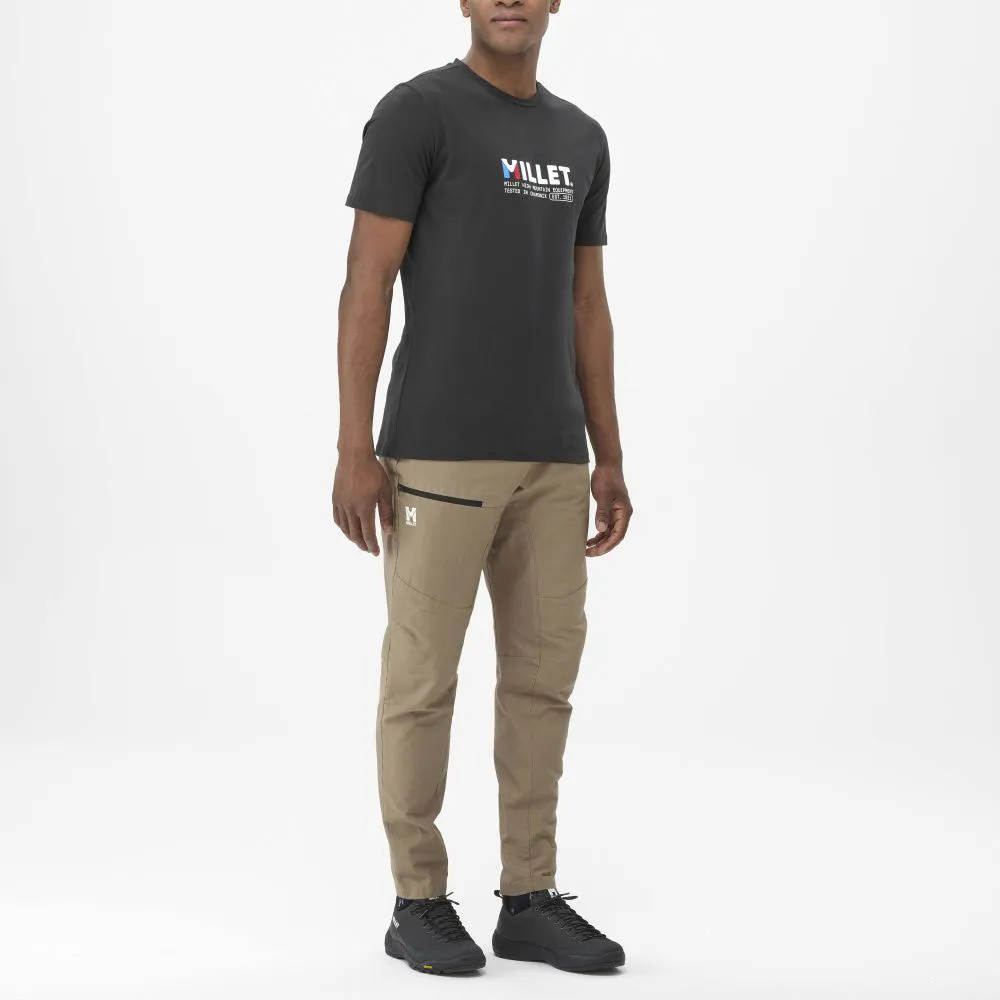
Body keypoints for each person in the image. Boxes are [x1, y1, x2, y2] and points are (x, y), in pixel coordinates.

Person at [333, 0, 633, 975]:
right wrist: (353, 446)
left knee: (543, 683)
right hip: (439, 451)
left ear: (554, 4)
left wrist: (608, 453)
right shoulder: (416, 113)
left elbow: (586, 301)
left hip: (553, 458)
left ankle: (529, 896)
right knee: (422, 681)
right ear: (464, 1)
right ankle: (416, 901)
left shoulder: (580, 138)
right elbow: (367, 279)